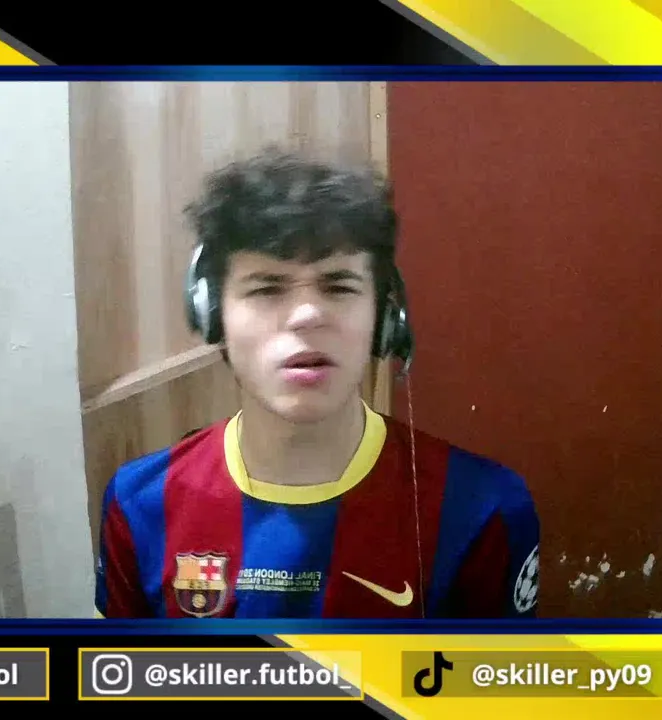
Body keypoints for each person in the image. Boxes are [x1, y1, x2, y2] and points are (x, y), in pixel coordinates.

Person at [94, 148, 540, 619]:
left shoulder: (483, 511)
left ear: (385, 318)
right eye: (267, 288)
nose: (307, 315)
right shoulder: (139, 504)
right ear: (211, 314)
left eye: (338, 286)